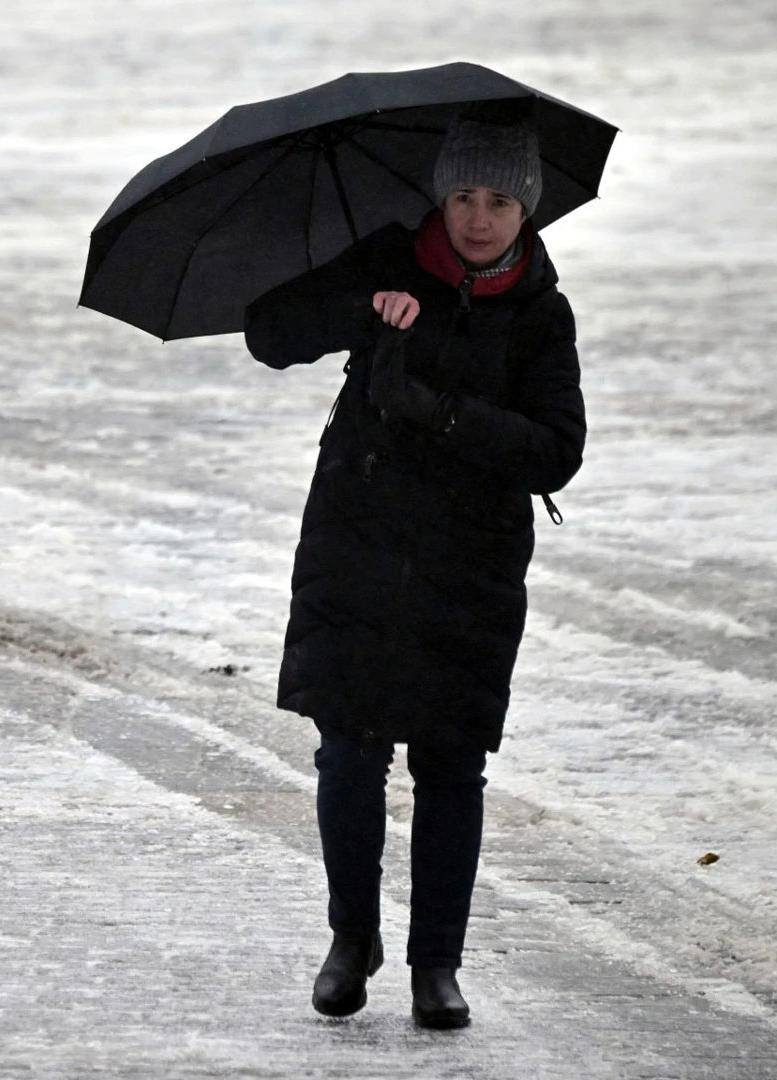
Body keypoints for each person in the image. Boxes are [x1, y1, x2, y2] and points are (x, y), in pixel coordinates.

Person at [242, 104, 586, 1029]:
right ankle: (351, 940)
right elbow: (268, 332)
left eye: (501, 201)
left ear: (528, 211)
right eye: (465, 195)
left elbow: (556, 452)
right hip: (356, 548)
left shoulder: (542, 316)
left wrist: (436, 411)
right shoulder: (387, 262)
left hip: (467, 568)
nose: (479, 218)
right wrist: (361, 308)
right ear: (441, 194)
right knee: (347, 754)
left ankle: (439, 965)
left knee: (451, 765)